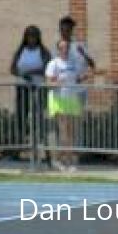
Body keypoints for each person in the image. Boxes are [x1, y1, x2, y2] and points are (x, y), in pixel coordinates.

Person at [9, 25, 51, 156]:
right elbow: (12, 69)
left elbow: (47, 68)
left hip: (38, 88)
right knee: (21, 118)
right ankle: (18, 149)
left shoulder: (43, 52)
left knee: (39, 118)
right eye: (29, 35)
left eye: (34, 35)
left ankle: (45, 151)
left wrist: (32, 72)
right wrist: (22, 75)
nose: (31, 38)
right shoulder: (20, 51)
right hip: (23, 88)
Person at [46, 38, 86, 172]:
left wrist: (85, 76)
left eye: (67, 48)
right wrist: (57, 82)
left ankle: (64, 160)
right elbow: (49, 83)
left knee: (71, 132)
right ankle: (61, 161)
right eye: (62, 48)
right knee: (63, 131)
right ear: (58, 49)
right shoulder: (54, 63)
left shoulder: (73, 63)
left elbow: (76, 79)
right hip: (59, 99)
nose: (65, 50)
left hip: (71, 98)